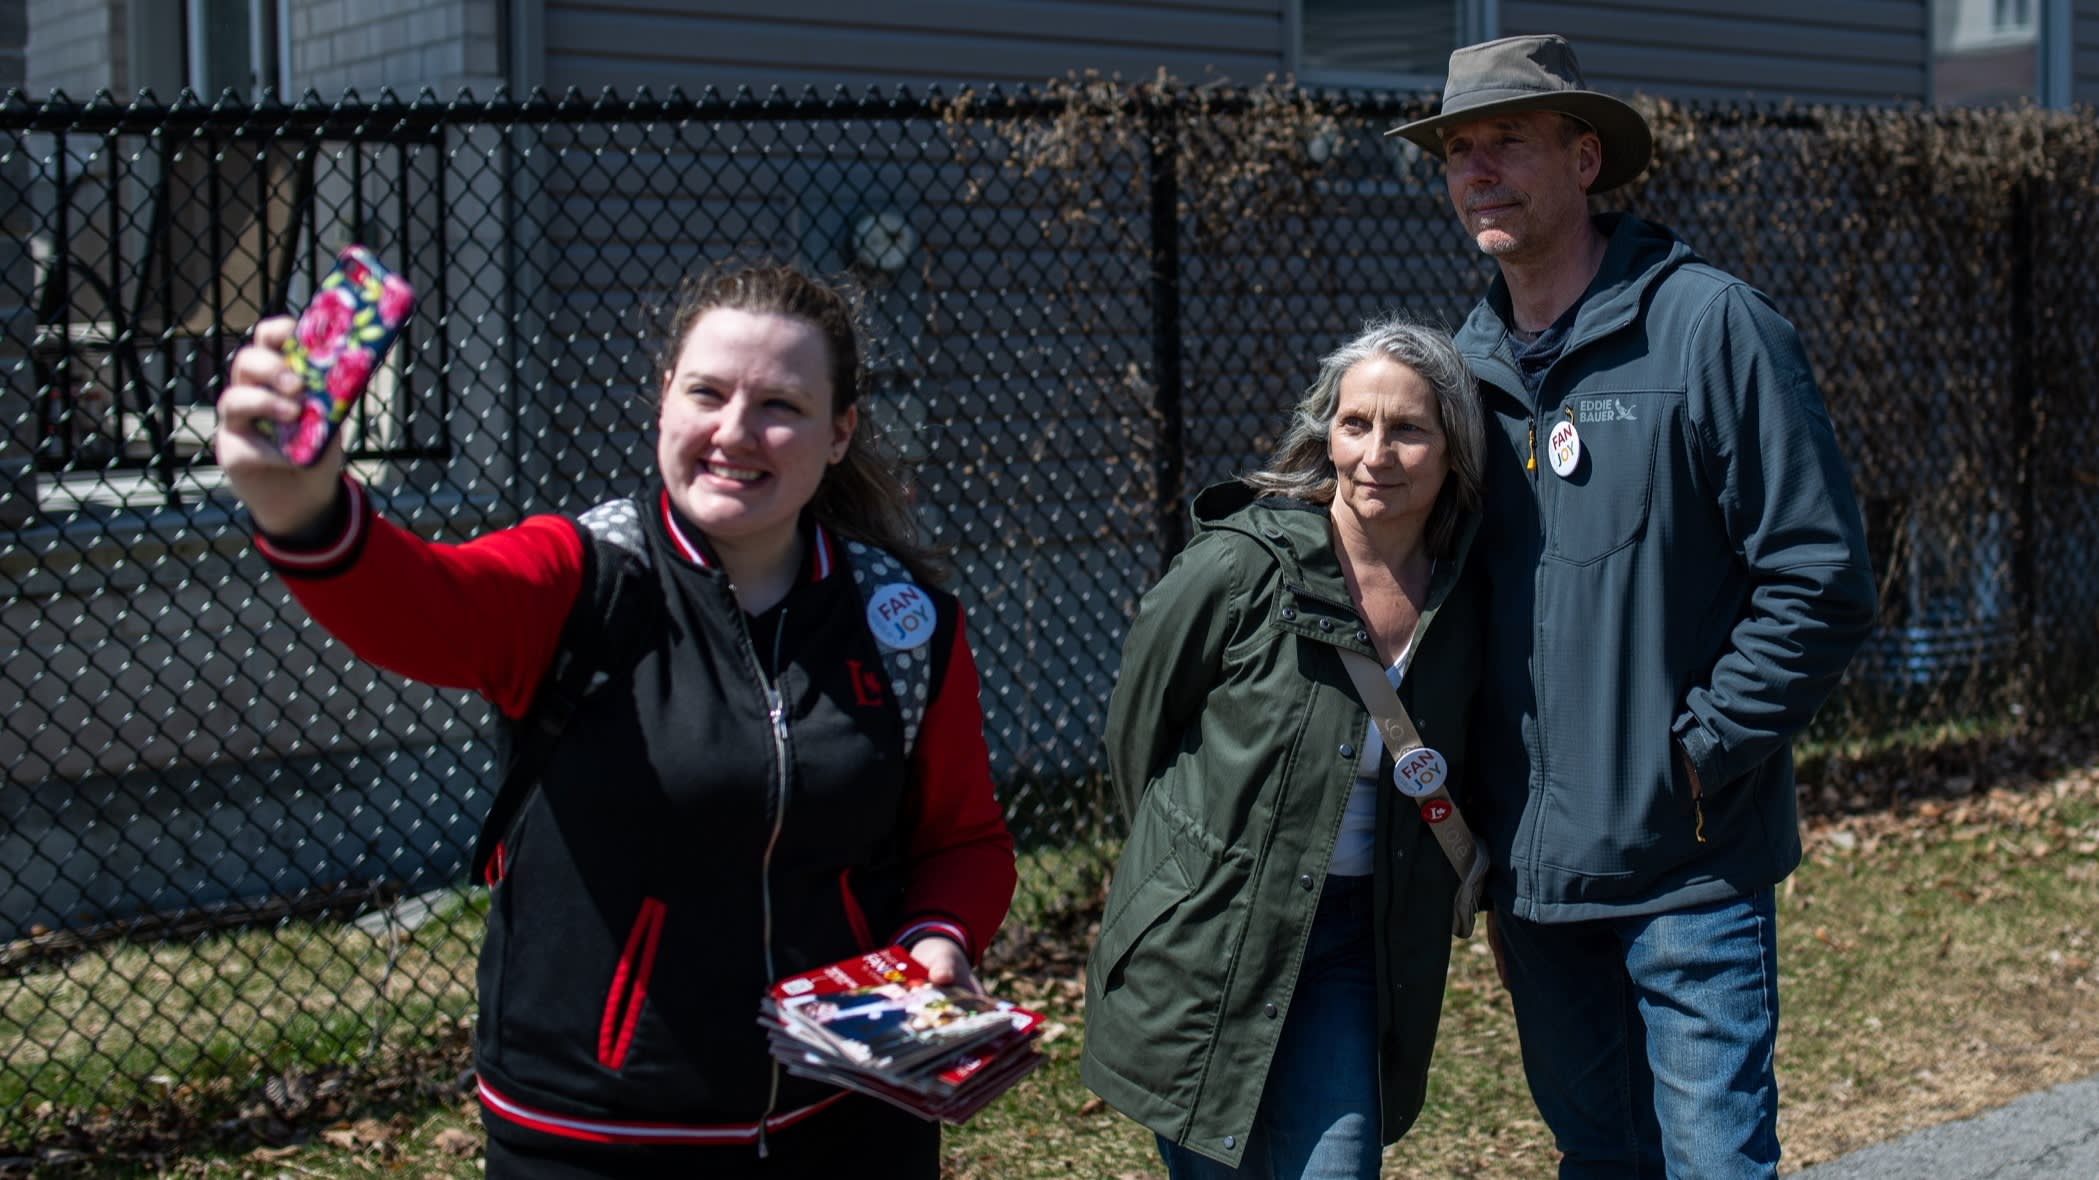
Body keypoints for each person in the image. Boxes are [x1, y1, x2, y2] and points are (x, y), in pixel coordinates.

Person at [213, 262, 1017, 1178]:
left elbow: (964, 839)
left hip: (852, 1111)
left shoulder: (899, 622)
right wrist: (302, 505)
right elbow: (420, 604)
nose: (734, 432)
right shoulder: (582, 575)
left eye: (780, 407)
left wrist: (939, 938)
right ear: (663, 398)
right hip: (599, 1134)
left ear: (839, 435)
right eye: (707, 392)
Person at [1387, 34, 1878, 1179]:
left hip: (1686, 867)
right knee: (1599, 1158)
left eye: (1508, 139)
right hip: (1533, 880)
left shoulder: (1711, 329)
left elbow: (1818, 574)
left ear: (1586, 158)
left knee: (1713, 1163)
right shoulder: (1458, 374)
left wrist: (1698, 755)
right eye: (1458, 149)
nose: (1478, 169)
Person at [1082, 317, 1488, 1180]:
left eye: (1408, 429)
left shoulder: (1469, 596)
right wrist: (1187, 866)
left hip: (1353, 945)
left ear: (1453, 448)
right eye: (1355, 424)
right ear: (1324, 433)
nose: (1376, 452)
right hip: (1211, 932)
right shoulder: (1239, 567)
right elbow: (1138, 734)